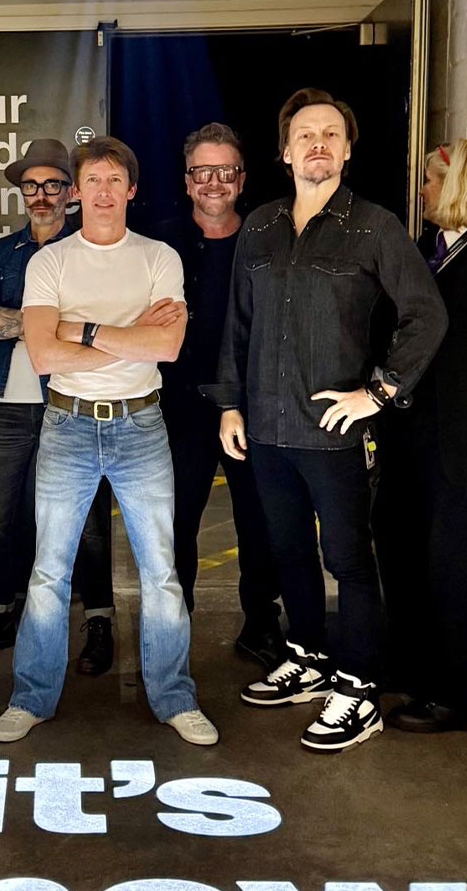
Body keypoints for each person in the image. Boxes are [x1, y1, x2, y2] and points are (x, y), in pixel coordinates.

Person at [212, 88, 447, 751]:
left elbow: (426, 315)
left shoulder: (373, 226)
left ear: (347, 149)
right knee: (286, 550)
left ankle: (359, 686)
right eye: (306, 134)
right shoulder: (257, 225)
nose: (319, 143)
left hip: (332, 433)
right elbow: (238, 323)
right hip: (264, 426)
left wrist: (378, 393)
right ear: (284, 151)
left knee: (346, 557)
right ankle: (308, 658)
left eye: (332, 134)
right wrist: (230, 402)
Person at [0, 136, 218, 746]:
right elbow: (41, 353)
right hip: (66, 425)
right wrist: (127, 333)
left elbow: (165, 348)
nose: (104, 191)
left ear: (132, 189)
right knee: (48, 572)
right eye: (92, 181)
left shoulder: (158, 258)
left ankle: (173, 696)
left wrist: (83, 328)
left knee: (161, 573)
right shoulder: (50, 263)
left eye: (115, 180)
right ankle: (31, 697)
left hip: (141, 424)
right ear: (75, 192)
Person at [0, 139, 114, 674]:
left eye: (53, 184)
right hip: (7, 403)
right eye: (32, 186)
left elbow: (104, 333)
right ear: (21, 193)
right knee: (3, 518)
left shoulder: (91, 248)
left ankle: (99, 623)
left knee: (90, 524)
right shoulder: (4, 254)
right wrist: (51, 327)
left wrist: (23, 325)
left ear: (71, 192)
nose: (42, 195)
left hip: (71, 403)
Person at [153, 123, 282, 668]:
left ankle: (261, 624)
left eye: (223, 171)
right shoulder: (160, 245)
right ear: (187, 181)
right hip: (180, 405)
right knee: (177, 522)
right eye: (202, 172)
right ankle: (173, 635)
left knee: (259, 521)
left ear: (241, 179)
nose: (213, 182)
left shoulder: (269, 241)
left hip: (251, 407)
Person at [374, 140, 467, 732]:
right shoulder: (424, 252)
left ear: (459, 184)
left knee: (453, 564)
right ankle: (412, 665)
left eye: (431, 181)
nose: (422, 192)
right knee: (399, 542)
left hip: (460, 442)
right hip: (411, 432)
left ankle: (456, 692)